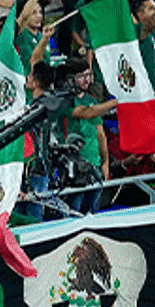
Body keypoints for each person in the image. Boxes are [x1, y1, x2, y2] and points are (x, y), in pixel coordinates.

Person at [63, 61, 115, 214]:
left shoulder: (91, 100)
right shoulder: (65, 101)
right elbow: (86, 113)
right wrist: (115, 102)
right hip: (75, 167)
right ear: (71, 78)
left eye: (88, 75)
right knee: (74, 212)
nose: (86, 80)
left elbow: (100, 134)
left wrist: (105, 162)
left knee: (93, 213)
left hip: (94, 165)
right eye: (81, 76)